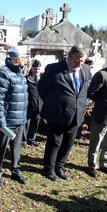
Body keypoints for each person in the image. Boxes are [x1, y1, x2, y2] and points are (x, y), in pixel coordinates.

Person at [38, 45, 90, 181]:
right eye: (77, 61)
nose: (80, 64)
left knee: (68, 143)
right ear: (69, 57)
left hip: (76, 114)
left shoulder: (85, 69)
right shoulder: (54, 69)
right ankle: (49, 169)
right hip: (58, 114)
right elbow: (42, 89)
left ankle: (59, 167)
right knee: (54, 143)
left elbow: (84, 91)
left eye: (82, 61)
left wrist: (82, 105)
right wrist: (54, 105)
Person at [0, 45, 28, 187]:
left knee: (17, 147)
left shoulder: (20, 73)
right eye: (23, 57)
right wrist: (1, 121)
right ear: (15, 59)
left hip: (20, 119)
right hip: (7, 120)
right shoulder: (4, 73)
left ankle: (15, 170)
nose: (25, 59)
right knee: (1, 147)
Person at [86, 66, 107, 177]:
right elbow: (91, 92)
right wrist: (102, 103)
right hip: (102, 115)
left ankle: (104, 164)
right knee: (96, 141)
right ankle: (92, 165)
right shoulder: (102, 75)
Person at [25, 59, 43, 146]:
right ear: (31, 68)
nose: (36, 71)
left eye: (38, 69)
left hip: (38, 107)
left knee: (35, 124)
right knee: (26, 124)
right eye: (35, 68)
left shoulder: (43, 80)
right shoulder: (26, 79)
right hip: (28, 106)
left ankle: (31, 139)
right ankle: (23, 140)